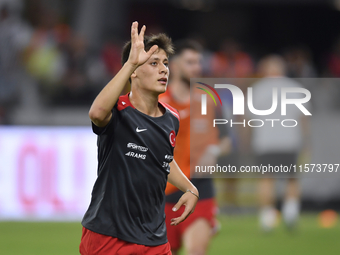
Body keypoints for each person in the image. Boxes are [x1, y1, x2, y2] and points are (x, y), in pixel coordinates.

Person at [79, 22, 199, 255]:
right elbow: (96, 113)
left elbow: (163, 158)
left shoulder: (171, 118)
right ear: (133, 70)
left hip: (154, 238)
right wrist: (131, 62)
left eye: (165, 63)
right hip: (108, 235)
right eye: (153, 63)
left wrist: (190, 188)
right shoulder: (118, 112)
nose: (164, 69)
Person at [160, 40, 231, 255]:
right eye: (190, 62)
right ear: (174, 65)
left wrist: (214, 151)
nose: (197, 67)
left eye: (199, 62)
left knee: (197, 250)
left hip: (199, 189)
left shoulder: (208, 99)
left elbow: (227, 139)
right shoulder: (157, 101)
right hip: (160, 195)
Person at [249, 55, 310, 232]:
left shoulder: (257, 90)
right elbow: (304, 118)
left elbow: (248, 120)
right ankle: (291, 214)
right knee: (291, 179)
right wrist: (306, 142)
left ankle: (267, 219)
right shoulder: (295, 88)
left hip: (265, 142)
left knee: (266, 179)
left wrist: (248, 141)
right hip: (290, 141)